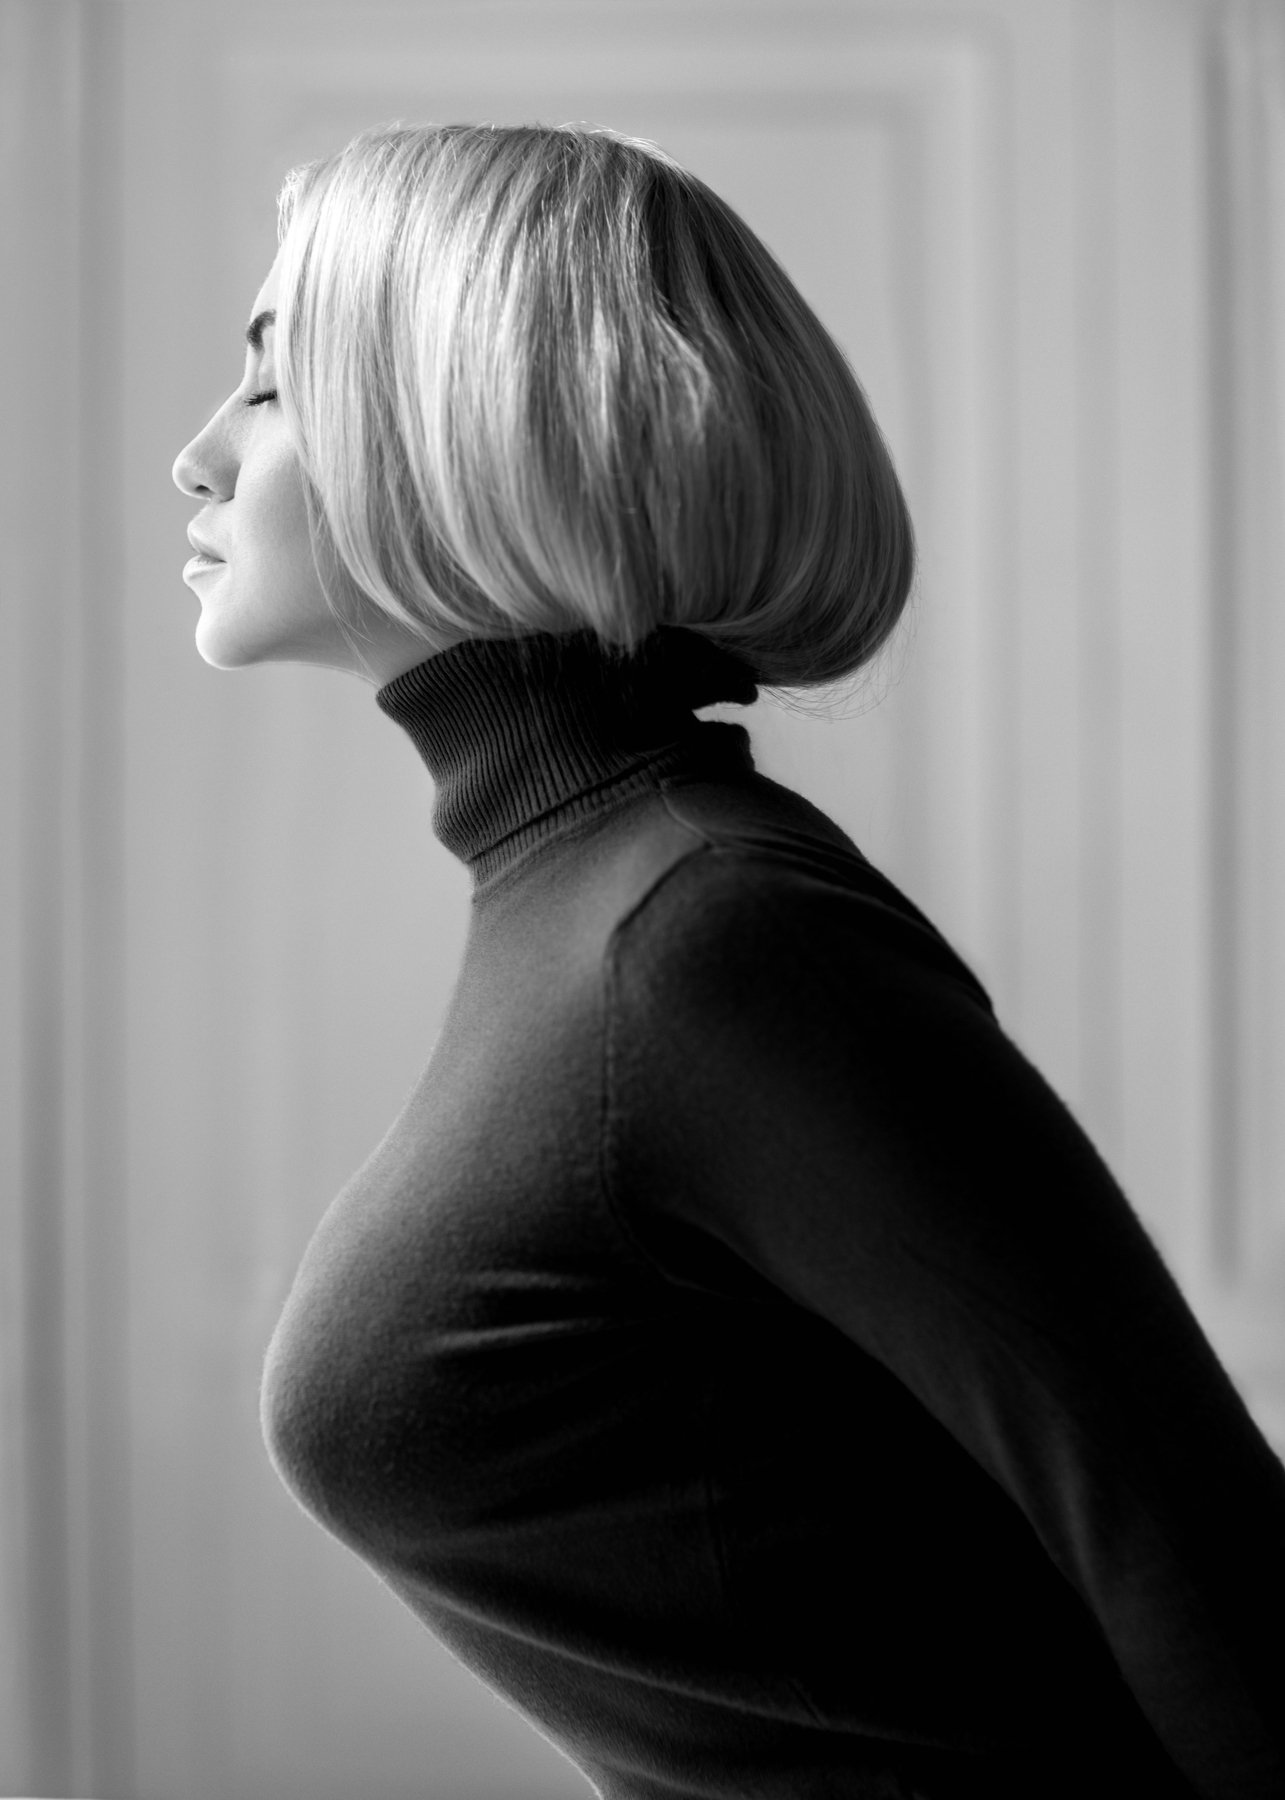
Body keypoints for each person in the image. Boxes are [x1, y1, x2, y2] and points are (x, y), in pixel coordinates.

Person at [171, 123, 1285, 1800]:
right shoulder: (586, 906)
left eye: (268, 386)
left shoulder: (710, 936)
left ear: (467, 426)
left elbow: (1200, 1562)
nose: (194, 457)